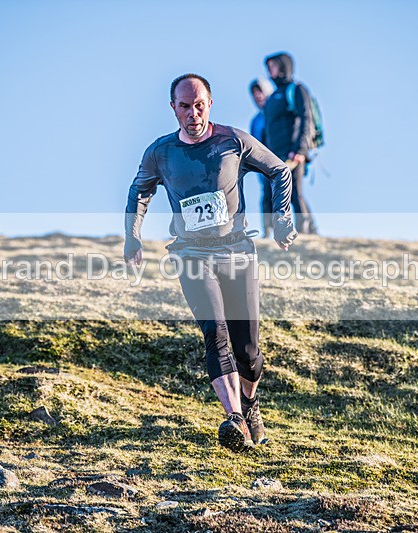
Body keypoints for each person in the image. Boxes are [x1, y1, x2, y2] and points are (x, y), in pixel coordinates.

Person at [124, 74, 297, 452]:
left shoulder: (232, 141)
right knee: (214, 333)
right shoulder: (161, 152)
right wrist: (132, 236)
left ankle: (249, 404)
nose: (192, 113)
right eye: (184, 106)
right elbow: (139, 192)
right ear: (173, 108)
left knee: (248, 351)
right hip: (191, 254)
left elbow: (279, 170)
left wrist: (282, 217)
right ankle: (234, 417)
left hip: (236, 251)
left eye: (199, 104)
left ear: (210, 103)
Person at [263, 52, 318, 234]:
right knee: (275, 193)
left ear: (284, 66)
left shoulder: (296, 89)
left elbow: (305, 118)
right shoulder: (272, 97)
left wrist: (300, 149)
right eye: (268, 66)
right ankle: (278, 232)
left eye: (274, 65)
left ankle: (304, 232)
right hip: (273, 154)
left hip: (293, 152)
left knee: (295, 192)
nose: (270, 70)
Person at [249, 77, 275, 238]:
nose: (258, 96)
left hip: (283, 161)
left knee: (292, 194)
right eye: (254, 94)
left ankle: (307, 228)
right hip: (264, 165)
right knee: (266, 195)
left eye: (260, 92)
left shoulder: (279, 115)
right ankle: (267, 230)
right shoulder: (256, 120)